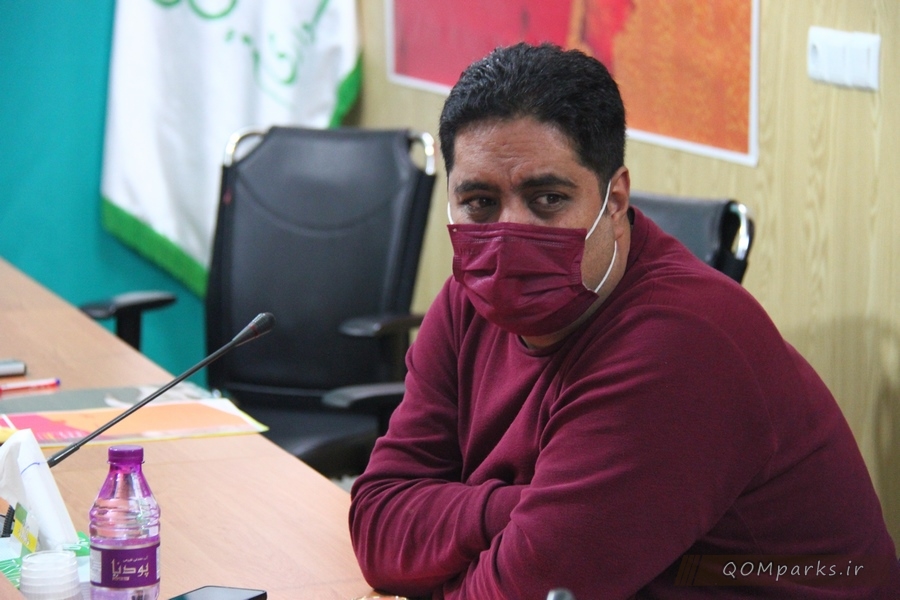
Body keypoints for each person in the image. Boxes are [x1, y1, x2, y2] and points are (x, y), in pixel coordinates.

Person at [348, 43, 900, 599]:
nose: (509, 235)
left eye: (547, 198)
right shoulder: (471, 298)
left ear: (614, 202)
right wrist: (518, 510)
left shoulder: (678, 346)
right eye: (480, 202)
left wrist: (458, 539)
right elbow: (377, 525)